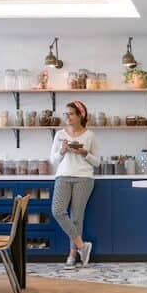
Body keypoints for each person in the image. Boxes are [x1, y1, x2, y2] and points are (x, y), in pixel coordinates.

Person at [50, 100, 99, 269]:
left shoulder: (89, 135)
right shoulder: (59, 135)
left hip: (84, 178)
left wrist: (85, 153)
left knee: (77, 217)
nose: (67, 117)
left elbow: (97, 162)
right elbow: (53, 160)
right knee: (57, 211)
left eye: (71, 114)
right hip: (63, 176)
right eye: (66, 114)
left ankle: (72, 255)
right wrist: (62, 151)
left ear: (80, 115)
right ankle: (82, 246)